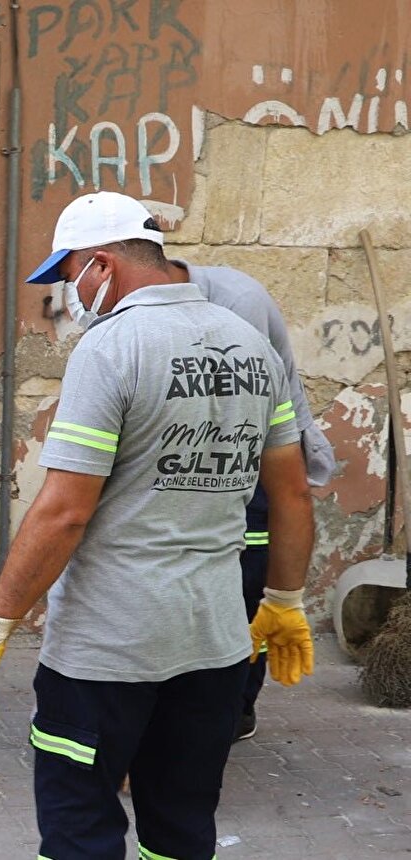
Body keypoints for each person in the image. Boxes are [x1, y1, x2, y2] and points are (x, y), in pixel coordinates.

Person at [0, 191, 315, 859]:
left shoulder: (111, 349)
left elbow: (65, 511)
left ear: (102, 264)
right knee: (180, 832)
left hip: (107, 649)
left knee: (80, 831)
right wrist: (284, 601)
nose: (70, 295)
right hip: (215, 646)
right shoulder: (252, 346)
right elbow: (291, 493)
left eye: (70, 276)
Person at [162, 256, 337, 741]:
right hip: (200, 456)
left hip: (259, 454)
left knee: (247, 584)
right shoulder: (142, 309)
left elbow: (238, 406)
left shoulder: (237, 301)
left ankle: (237, 708)